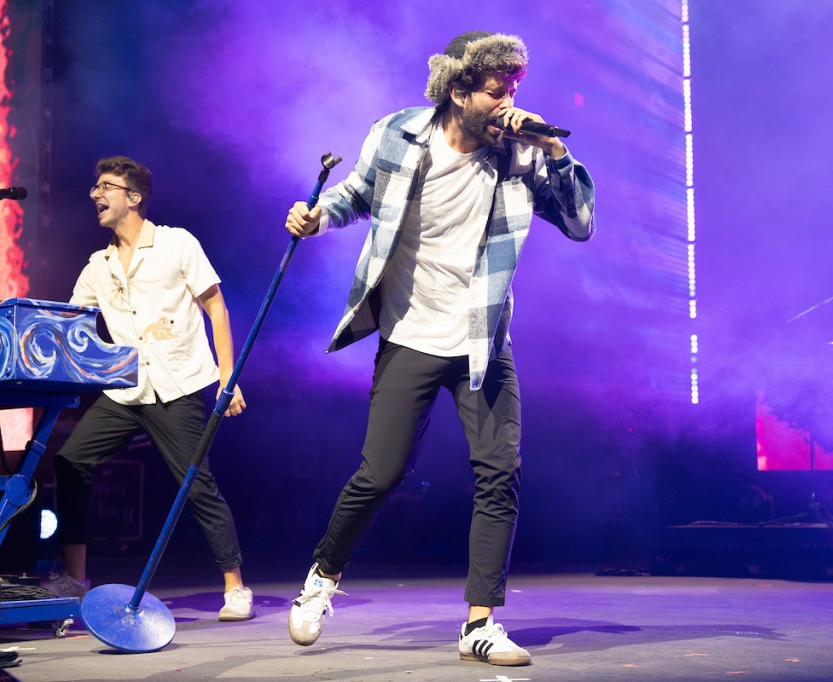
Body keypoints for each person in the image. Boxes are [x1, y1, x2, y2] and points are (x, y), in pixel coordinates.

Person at [283, 31, 595, 666]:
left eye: (515, 88)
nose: (509, 102)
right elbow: (356, 195)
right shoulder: (398, 134)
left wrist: (555, 149)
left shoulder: (521, 152)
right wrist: (318, 218)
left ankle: (480, 623)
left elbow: (581, 224)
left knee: (499, 472)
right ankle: (321, 578)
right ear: (457, 90)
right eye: (496, 90)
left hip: (483, 339)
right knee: (381, 473)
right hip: (411, 332)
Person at [42, 155, 255, 622]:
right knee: (70, 461)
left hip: (177, 385)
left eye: (106, 186)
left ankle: (235, 585)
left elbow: (216, 308)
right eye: (94, 187)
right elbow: (70, 324)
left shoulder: (177, 243)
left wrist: (227, 376)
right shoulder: (98, 265)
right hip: (125, 390)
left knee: (194, 483)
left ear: (134, 197)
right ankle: (75, 578)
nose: (95, 194)